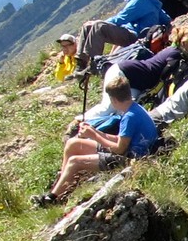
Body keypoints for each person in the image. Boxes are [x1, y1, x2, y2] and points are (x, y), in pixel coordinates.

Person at [33, 78, 158, 206]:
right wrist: (94, 132)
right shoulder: (135, 108)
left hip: (129, 160)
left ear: (113, 100)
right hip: (129, 151)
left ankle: (53, 199)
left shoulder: (129, 117)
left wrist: (94, 135)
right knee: (73, 143)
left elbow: (120, 149)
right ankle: (61, 185)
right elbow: (122, 140)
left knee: (74, 162)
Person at [74, 0, 171, 66]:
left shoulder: (138, 1)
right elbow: (165, 18)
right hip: (137, 33)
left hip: (136, 36)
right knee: (88, 27)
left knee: (98, 26)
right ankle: (81, 64)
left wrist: (98, 22)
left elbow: (121, 19)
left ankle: (94, 65)